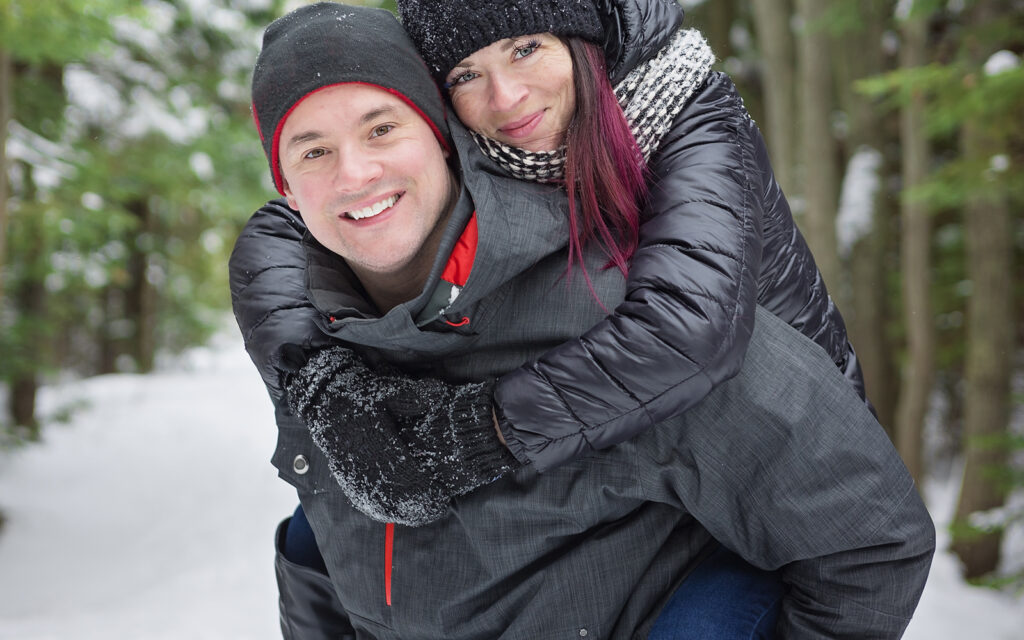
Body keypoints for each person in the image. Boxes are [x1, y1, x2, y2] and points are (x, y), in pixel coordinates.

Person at [230, 4, 934, 638]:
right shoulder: (332, 290)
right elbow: (272, 251)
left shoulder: (676, 130)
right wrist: (314, 380)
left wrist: (482, 433)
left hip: (760, 436)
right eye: (313, 151)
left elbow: (689, 332)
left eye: (381, 128)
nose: (505, 96)